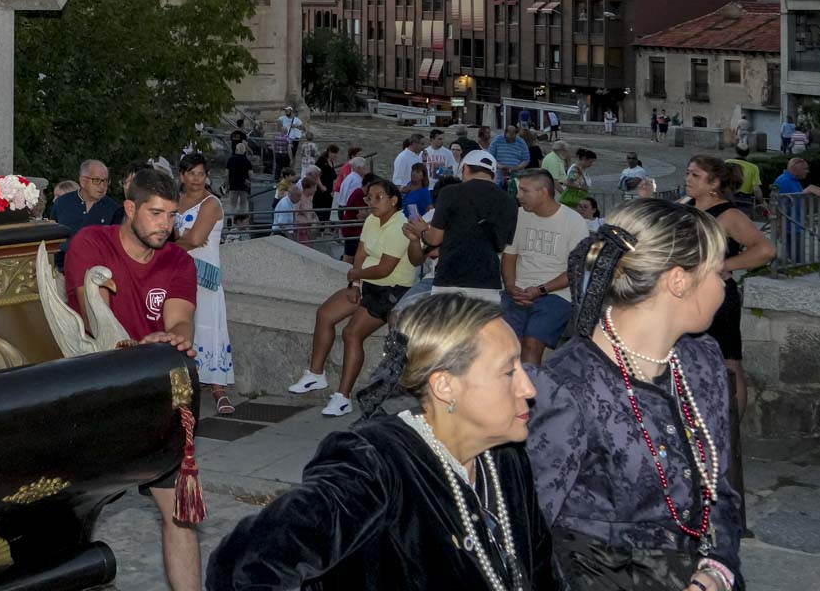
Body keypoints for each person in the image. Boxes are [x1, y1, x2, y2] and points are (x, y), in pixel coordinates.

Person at [208, 294, 559, 590]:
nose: (528, 388)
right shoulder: (373, 462)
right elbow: (242, 564)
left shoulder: (504, 459)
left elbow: (541, 570)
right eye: (509, 371)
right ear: (445, 386)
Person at [527, 200, 743, 591]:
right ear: (679, 280)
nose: (725, 282)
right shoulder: (566, 386)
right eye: (718, 271)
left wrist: (716, 571)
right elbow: (533, 534)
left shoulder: (702, 360)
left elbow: (720, 491)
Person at [63, 165, 201, 591]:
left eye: (172, 214)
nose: (167, 225)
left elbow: (181, 325)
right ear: (129, 207)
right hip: (91, 399)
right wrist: (147, 344)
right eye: (156, 214)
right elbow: (101, 324)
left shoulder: (178, 260)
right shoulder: (90, 243)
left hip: (152, 399)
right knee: (68, 521)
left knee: (181, 513)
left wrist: (171, 339)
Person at [287, 176, 425, 417]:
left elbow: (385, 268)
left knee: (351, 333)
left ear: (393, 201)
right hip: (365, 283)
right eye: (369, 197)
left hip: (390, 291)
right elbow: (360, 253)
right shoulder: (372, 220)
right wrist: (354, 282)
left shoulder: (400, 226)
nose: (372, 202)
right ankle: (316, 374)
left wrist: (356, 273)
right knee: (325, 314)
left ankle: (343, 397)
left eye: (378, 197)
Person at [682, 155, 774, 511]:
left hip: (719, 298)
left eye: (695, 175)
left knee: (728, 363)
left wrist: (724, 266)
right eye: (688, 173)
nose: (688, 179)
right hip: (686, 296)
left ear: (714, 184)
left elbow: (765, 250)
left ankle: (729, 435)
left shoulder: (729, 214)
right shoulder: (687, 207)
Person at [500, 168, 592, 365]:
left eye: (525, 191)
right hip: (518, 291)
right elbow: (509, 255)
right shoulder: (518, 215)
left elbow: (575, 270)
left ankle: (531, 393)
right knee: (508, 347)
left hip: (556, 294)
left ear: (543, 192)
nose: (519, 196)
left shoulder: (573, 222)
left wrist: (540, 290)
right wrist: (510, 286)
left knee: (532, 344)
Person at [402, 151, 516, 302]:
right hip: (488, 281)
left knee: (447, 325)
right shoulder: (510, 202)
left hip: (450, 277)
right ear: (493, 175)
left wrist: (422, 231)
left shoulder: (450, 193)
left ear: (466, 168)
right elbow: (502, 245)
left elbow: (434, 239)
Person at [174, 154, 232, 415]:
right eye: (190, 173)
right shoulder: (177, 201)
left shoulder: (211, 204)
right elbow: (181, 236)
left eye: (200, 173)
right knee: (182, 327)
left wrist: (170, 245)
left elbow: (196, 238)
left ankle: (219, 389)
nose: (196, 179)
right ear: (181, 176)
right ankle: (187, 383)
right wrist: (181, 241)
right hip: (179, 272)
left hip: (204, 275)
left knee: (210, 326)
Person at [50, 160, 124, 264]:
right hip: (61, 268)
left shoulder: (114, 210)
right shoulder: (62, 203)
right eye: (97, 180)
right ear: (83, 181)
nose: (102, 186)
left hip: (97, 272)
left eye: (106, 181)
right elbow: (51, 237)